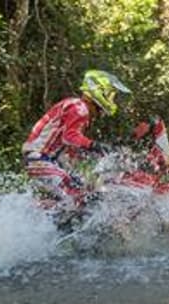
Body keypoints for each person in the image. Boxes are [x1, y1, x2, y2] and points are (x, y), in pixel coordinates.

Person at [22, 70, 132, 209]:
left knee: (79, 190)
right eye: (110, 94)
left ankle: (36, 216)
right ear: (98, 90)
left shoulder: (77, 107)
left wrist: (91, 158)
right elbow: (69, 137)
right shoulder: (80, 108)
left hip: (46, 160)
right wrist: (95, 145)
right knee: (77, 196)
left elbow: (70, 147)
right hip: (40, 159)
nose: (111, 99)